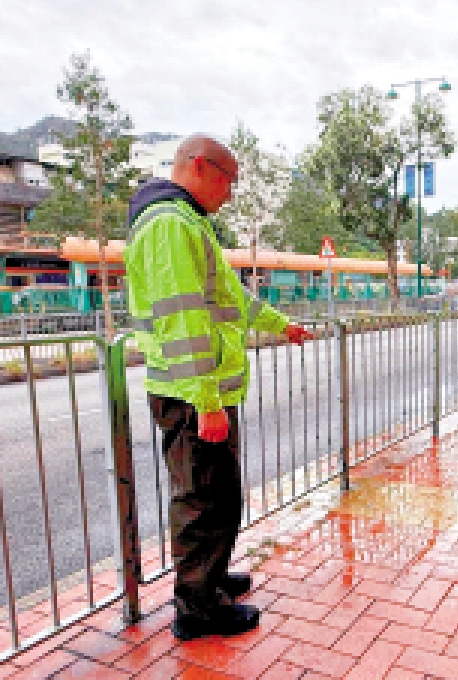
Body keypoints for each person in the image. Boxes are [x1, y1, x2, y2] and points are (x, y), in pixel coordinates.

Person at [125, 134, 314, 641]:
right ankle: (197, 609)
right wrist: (207, 402)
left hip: (204, 392)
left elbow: (233, 297)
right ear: (200, 167)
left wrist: (282, 325)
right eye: (229, 180)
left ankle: (209, 578)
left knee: (221, 497)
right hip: (191, 394)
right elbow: (184, 321)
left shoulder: (190, 223)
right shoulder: (168, 226)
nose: (230, 193)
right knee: (201, 499)